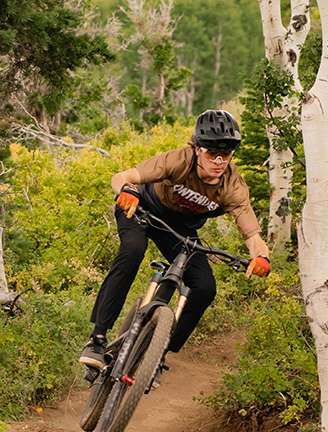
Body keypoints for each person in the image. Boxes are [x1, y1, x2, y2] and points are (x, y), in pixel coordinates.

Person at [78, 110, 271, 373]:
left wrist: (262, 257)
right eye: (211, 152)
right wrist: (125, 192)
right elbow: (122, 177)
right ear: (196, 149)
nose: (218, 161)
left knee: (204, 287)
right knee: (133, 250)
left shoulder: (233, 186)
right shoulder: (178, 161)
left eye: (225, 155)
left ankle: (158, 353)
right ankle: (97, 339)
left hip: (180, 228)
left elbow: (253, 236)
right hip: (142, 209)